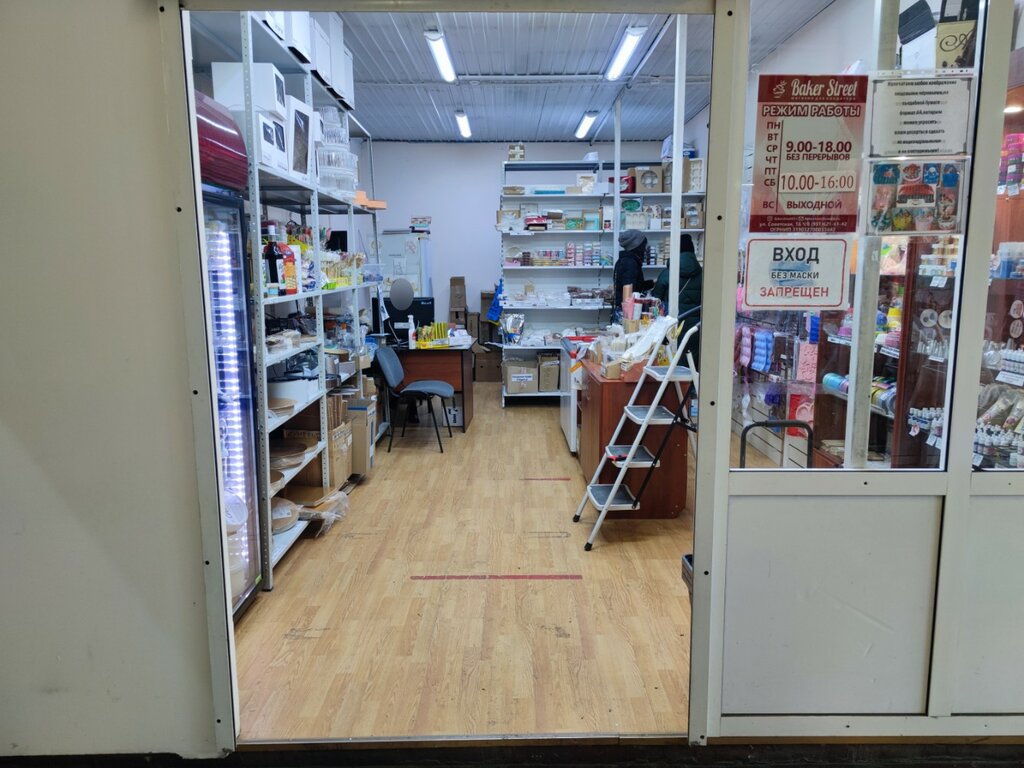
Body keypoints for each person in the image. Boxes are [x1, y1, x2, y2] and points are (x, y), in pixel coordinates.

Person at [651, 233, 702, 368]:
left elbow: (656, 299)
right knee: (692, 365)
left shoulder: (667, 274)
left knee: (672, 361)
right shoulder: (703, 274)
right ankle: (691, 382)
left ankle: (674, 382)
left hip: (674, 325)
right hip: (697, 326)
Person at [613, 229, 653, 322]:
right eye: (643, 245)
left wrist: (651, 283)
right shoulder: (630, 263)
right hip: (628, 313)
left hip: (624, 310)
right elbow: (629, 291)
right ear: (637, 246)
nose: (645, 249)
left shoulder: (624, 260)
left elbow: (634, 284)